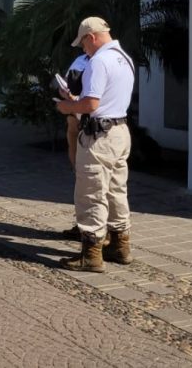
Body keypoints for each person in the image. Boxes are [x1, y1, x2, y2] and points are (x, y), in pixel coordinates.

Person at [56, 17, 135, 273]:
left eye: (83, 44)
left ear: (92, 37)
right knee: (115, 189)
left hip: (99, 136)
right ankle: (120, 245)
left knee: (91, 191)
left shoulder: (99, 61)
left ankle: (91, 254)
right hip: (120, 131)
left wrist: (67, 106)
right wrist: (79, 99)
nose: (83, 50)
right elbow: (105, 98)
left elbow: (91, 105)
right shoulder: (124, 58)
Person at [60, 53, 89, 242]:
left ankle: (95, 231)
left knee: (92, 180)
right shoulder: (80, 60)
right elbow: (69, 83)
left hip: (91, 124)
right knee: (80, 177)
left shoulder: (104, 61)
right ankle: (82, 223)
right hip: (74, 120)